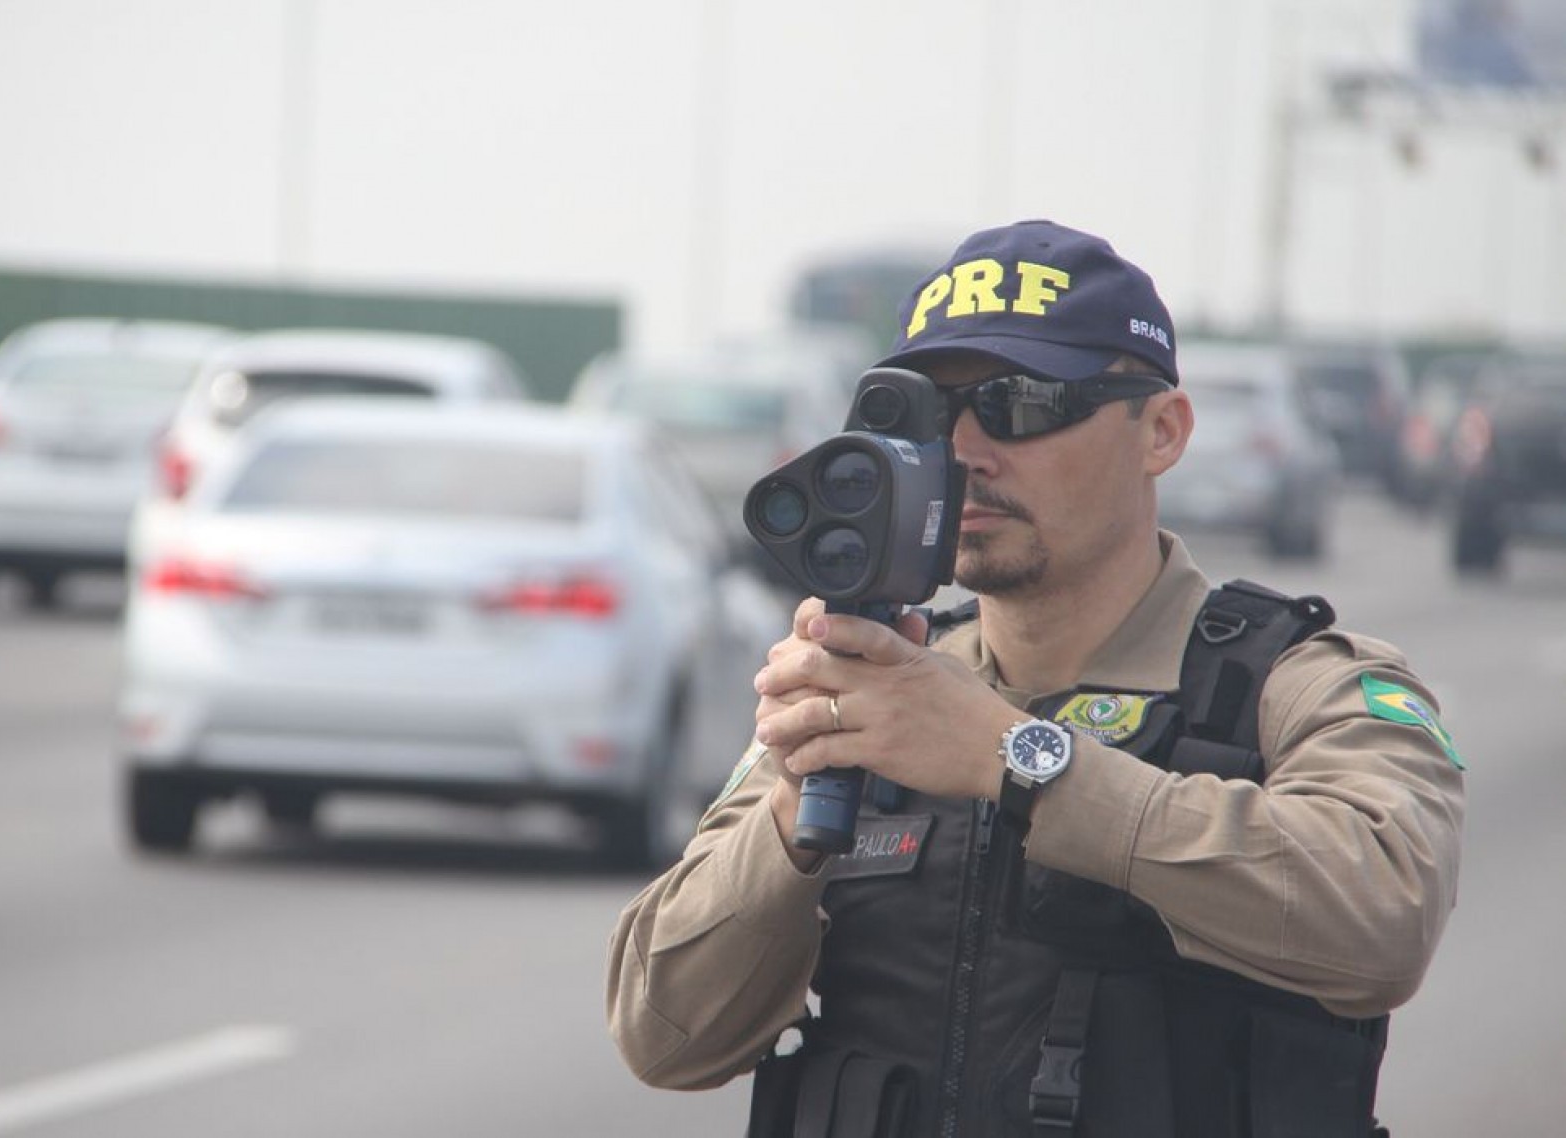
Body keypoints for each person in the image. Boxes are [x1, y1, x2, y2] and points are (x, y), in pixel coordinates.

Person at [604, 219, 1465, 1137]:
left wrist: (1022, 760)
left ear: (1161, 430)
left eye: (1020, 404)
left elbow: (1383, 921)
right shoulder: (872, 685)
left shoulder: (1298, 687)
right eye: (932, 411)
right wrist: (791, 813)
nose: (966, 450)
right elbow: (664, 1036)